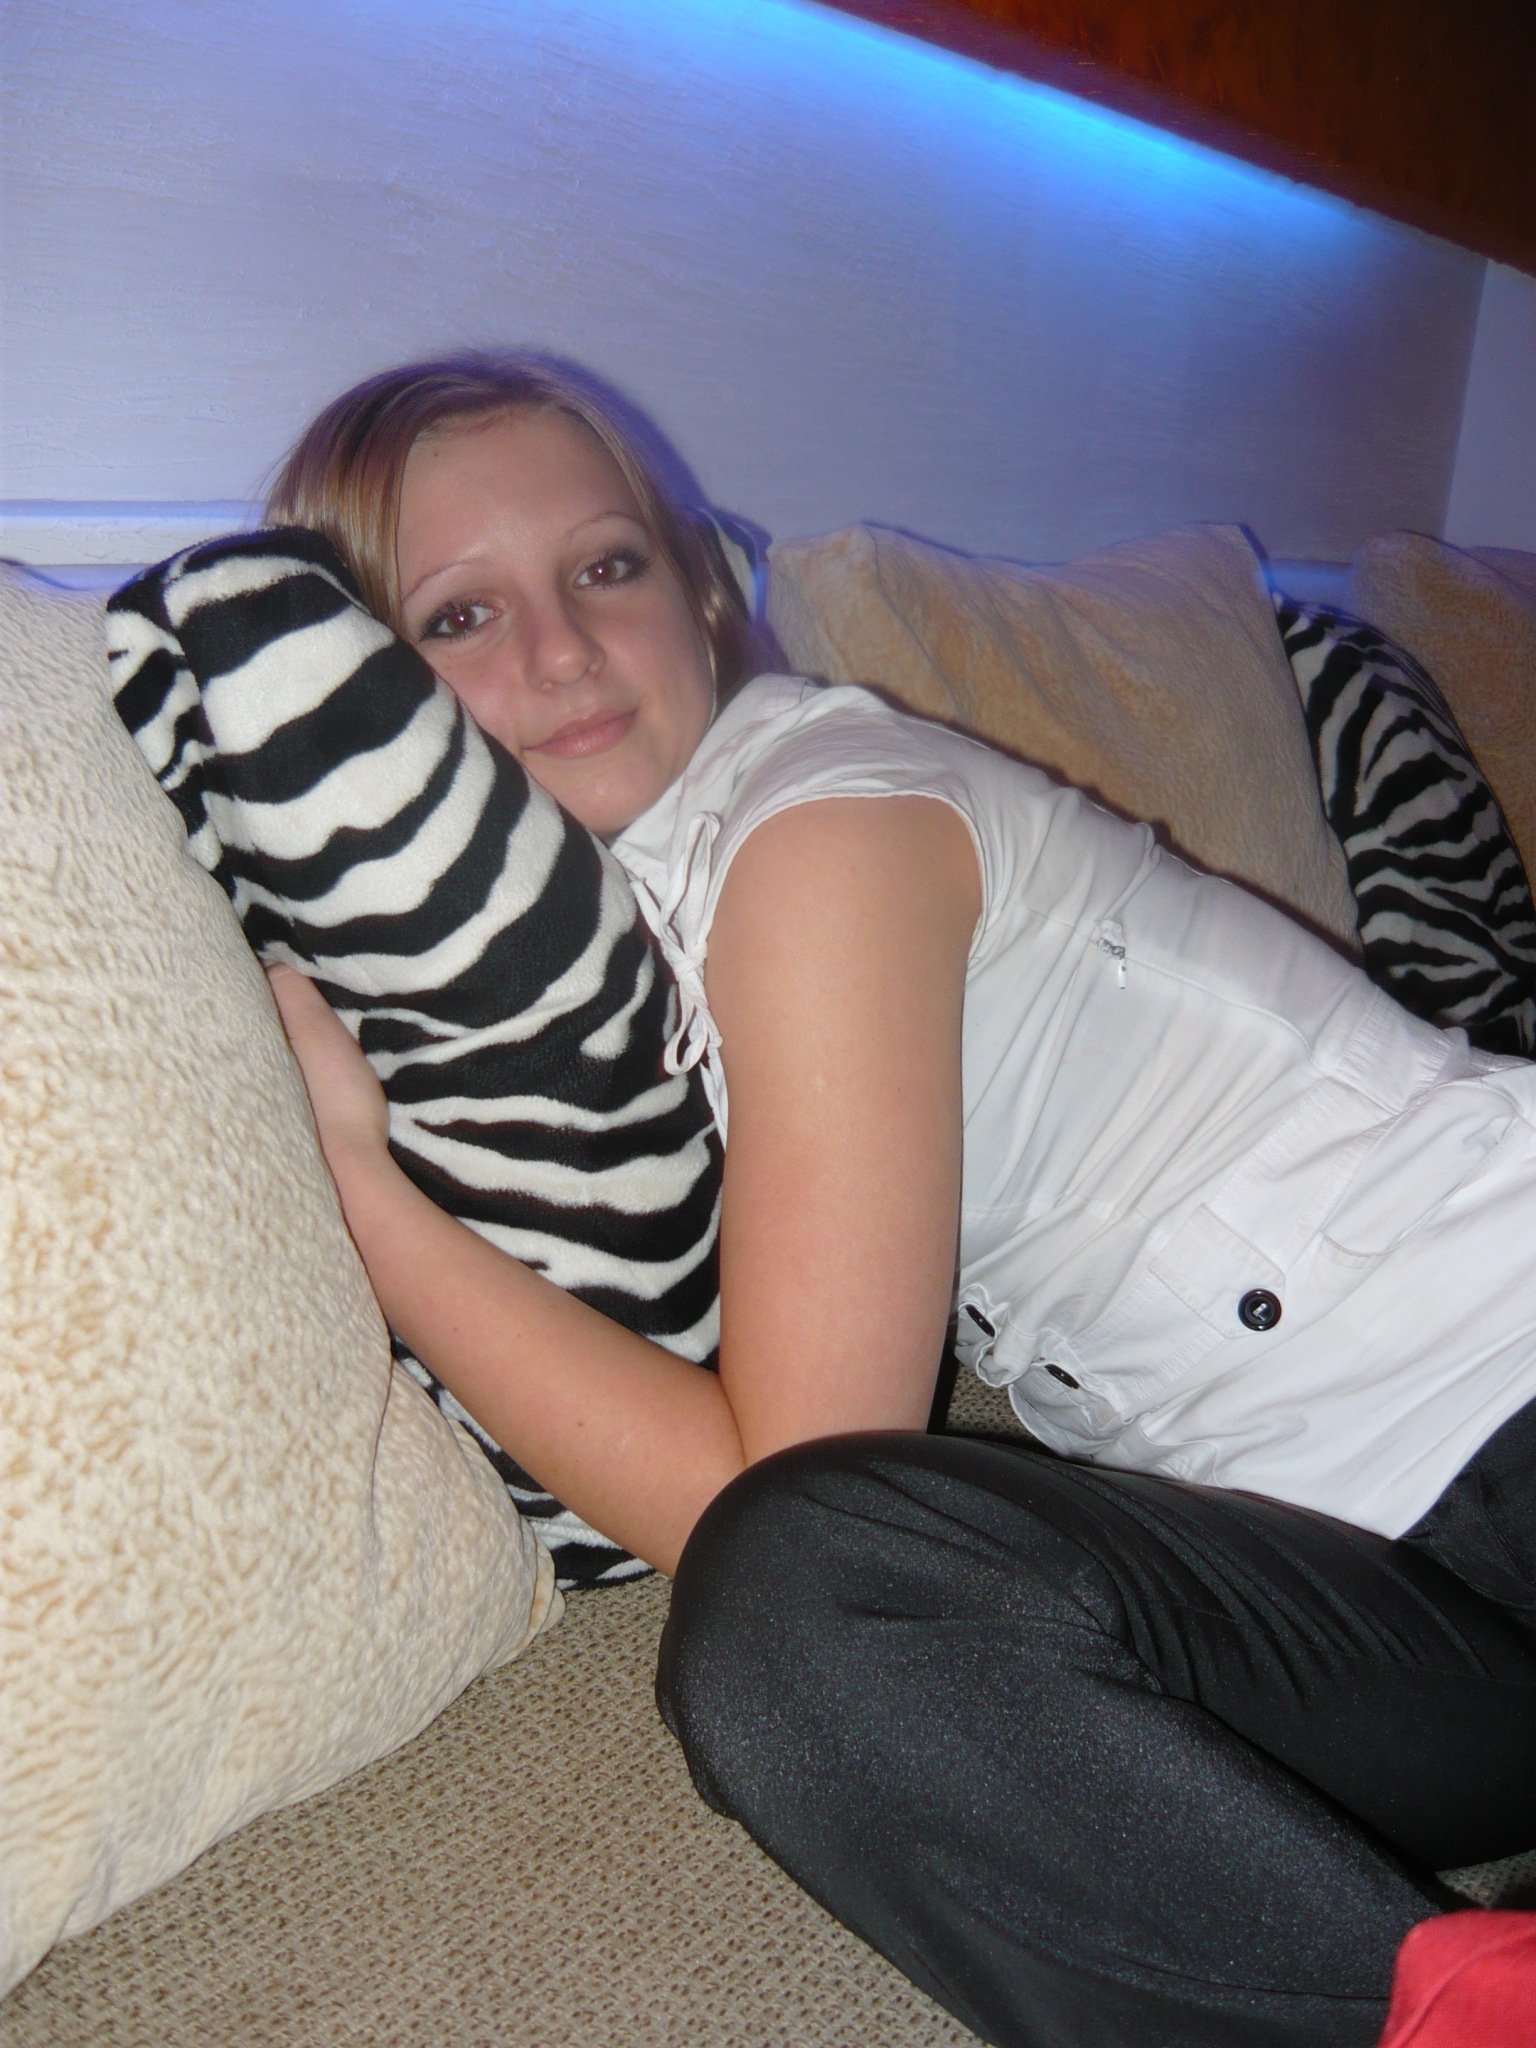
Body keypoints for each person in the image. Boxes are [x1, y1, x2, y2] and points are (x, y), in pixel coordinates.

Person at [262, 352, 1536, 2048]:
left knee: (797, 1563)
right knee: (802, 1642)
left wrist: (368, 1206)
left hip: (1501, 1369)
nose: (561, 649)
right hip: (1382, 1577)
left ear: (701, 592)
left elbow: (788, 1475)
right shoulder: (599, 951)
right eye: (463, 615)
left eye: (606, 566)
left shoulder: (820, 833)